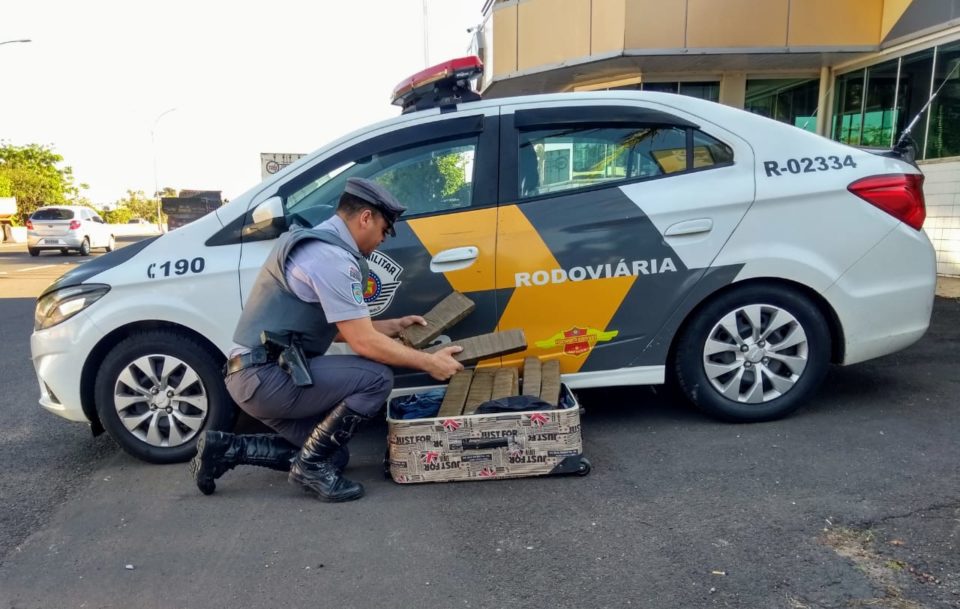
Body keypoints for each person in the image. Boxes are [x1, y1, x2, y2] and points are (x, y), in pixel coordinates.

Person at [190, 177, 463, 502]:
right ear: (365, 218)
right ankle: (308, 468)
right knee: (377, 378)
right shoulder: (331, 259)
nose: (382, 240)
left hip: (254, 376)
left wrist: (393, 325)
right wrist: (430, 363)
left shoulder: (315, 243)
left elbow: (332, 325)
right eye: (385, 230)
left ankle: (225, 449)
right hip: (265, 378)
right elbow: (362, 344)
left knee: (333, 455)